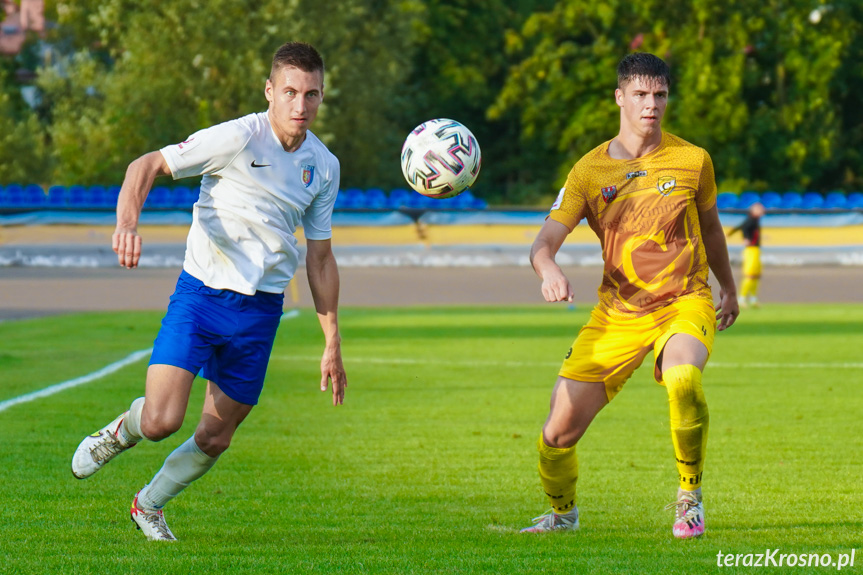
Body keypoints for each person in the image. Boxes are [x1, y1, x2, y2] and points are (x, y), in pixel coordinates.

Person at [71, 41, 347, 541]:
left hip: (261, 312)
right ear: (270, 91)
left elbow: (321, 257)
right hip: (201, 297)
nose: (300, 105)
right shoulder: (238, 138)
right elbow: (145, 165)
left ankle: (149, 504)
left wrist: (332, 342)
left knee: (216, 437)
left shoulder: (323, 166)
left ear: (321, 97)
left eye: (311, 94)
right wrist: (127, 223)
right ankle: (119, 432)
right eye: (290, 92)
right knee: (160, 421)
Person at [521, 53, 739, 539]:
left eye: (660, 94)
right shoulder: (589, 171)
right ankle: (562, 515)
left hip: (684, 301)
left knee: (683, 377)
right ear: (619, 97)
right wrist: (548, 269)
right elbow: (542, 244)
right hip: (617, 315)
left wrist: (728, 287)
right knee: (555, 436)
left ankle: (689, 497)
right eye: (641, 94)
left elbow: (711, 229)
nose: (651, 104)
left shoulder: (693, 159)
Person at [727, 202, 765, 308]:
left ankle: (753, 299)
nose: (762, 210)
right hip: (751, 250)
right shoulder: (751, 220)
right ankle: (742, 298)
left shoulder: (755, 220)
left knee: (756, 275)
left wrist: (731, 233)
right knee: (750, 274)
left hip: (756, 250)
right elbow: (744, 228)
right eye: (760, 209)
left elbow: (740, 227)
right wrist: (746, 238)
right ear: (754, 210)